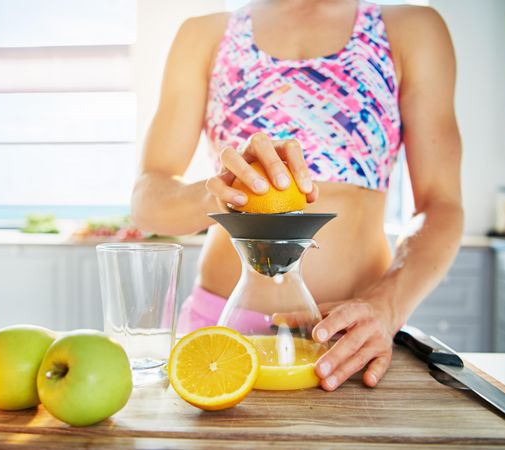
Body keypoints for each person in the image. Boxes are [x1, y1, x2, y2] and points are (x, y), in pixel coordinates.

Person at [131, 0, 463, 392]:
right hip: (221, 331)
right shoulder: (205, 35)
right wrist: (215, 197)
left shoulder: (411, 30)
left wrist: (386, 305)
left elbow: (441, 205)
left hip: (355, 338)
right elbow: (147, 201)